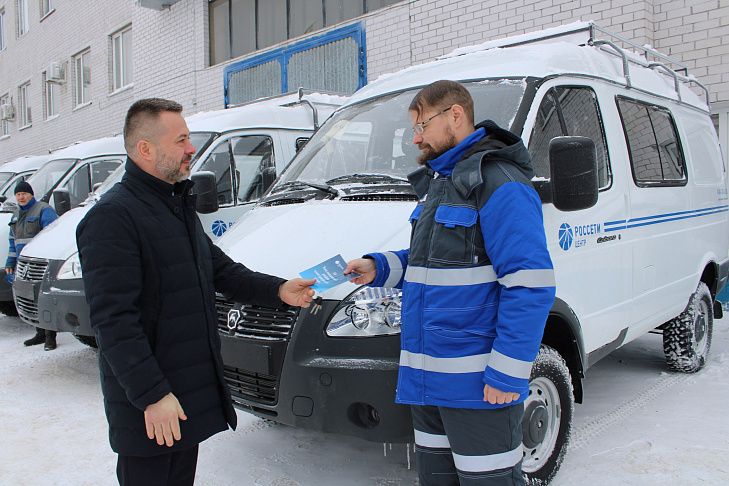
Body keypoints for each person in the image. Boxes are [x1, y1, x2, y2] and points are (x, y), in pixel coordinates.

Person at [76, 98, 315, 486]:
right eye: (181, 140)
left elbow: (219, 270)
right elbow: (114, 322)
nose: (191, 149)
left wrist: (279, 290)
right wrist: (152, 395)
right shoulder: (112, 218)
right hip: (151, 408)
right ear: (145, 149)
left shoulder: (173, 206)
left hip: (180, 396)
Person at [345, 80, 556, 486]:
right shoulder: (442, 184)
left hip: (479, 389)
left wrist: (507, 372)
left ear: (455, 115)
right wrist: (380, 267)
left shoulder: (502, 184)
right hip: (429, 384)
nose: (415, 138)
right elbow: (434, 263)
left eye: (421, 125)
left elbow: (530, 285)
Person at [5, 181, 59, 350]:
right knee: (31, 298)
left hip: (41, 262)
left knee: (44, 298)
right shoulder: (16, 215)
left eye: (24, 194)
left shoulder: (43, 210)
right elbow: (13, 242)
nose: (21, 197)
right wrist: (10, 263)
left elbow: (53, 235)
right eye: (18, 194)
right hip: (24, 263)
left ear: (31, 194)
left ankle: (50, 336)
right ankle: (40, 333)